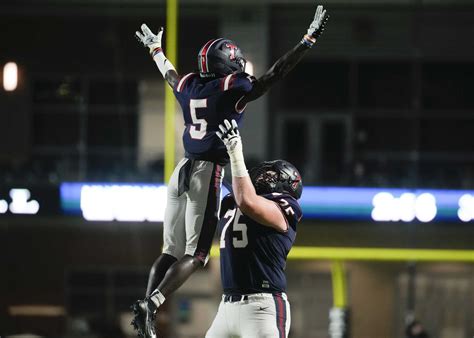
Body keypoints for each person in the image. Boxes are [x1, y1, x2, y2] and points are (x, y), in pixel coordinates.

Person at [131, 4, 328, 337]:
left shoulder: (191, 86)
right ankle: (151, 304)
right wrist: (307, 40)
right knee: (197, 255)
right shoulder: (232, 90)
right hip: (207, 171)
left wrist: (156, 51)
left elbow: (171, 78)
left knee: (169, 249)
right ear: (229, 64)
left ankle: (148, 302)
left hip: (181, 168)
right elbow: (275, 73)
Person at [204, 119, 303, 338]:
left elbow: (247, 201)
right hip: (226, 305)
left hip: (262, 306)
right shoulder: (235, 199)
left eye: (272, 175)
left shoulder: (285, 205)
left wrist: (235, 152)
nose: (264, 176)